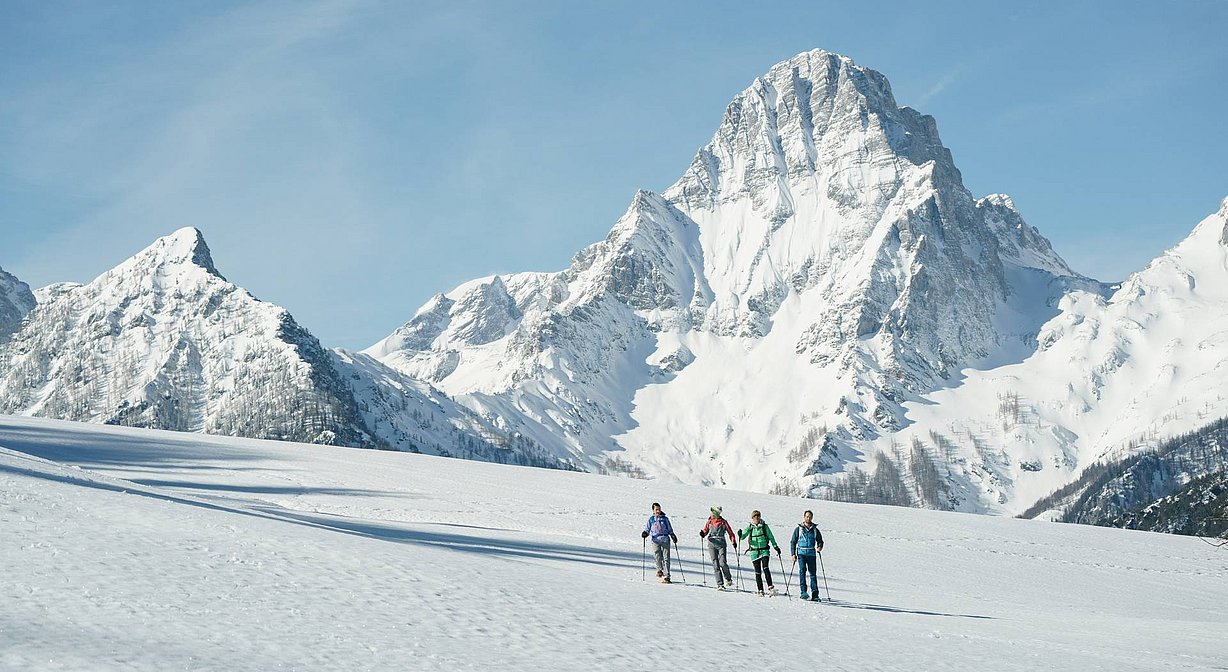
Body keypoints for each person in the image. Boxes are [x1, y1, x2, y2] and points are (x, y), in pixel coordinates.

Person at [738, 510, 780, 596]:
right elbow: (742, 537)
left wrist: (775, 546)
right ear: (752, 518)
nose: (756, 518)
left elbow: (771, 537)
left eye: (758, 516)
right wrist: (740, 534)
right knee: (758, 572)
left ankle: (770, 587)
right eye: (754, 517)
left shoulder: (764, 526)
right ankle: (760, 590)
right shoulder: (750, 527)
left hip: (764, 550)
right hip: (754, 552)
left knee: (765, 568)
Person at [699, 505, 738, 591]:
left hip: (721, 544)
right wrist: (703, 533)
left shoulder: (723, 522)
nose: (711, 514)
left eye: (713, 513)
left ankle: (728, 578)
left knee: (722, 563)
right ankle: (720, 584)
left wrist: (733, 541)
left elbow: (730, 533)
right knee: (715, 564)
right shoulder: (709, 521)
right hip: (711, 544)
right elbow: (705, 531)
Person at [790, 509, 825, 601]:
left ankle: (815, 594)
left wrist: (819, 547)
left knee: (813, 574)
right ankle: (803, 592)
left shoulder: (815, 530)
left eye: (810, 517)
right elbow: (793, 542)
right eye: (807, 516)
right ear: (804, 517)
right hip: (801, 553)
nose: (808, 518)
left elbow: (820, 540)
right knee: (802, 571)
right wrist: (793, 554)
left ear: (812, 518)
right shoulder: (799, 529)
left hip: (811, 554)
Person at [641, 502, 677, 583]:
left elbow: (670, 528)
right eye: (656, 509)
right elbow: (647, 529)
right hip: (655, 540)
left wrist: (672, 535)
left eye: (659, 509)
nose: (658, 511)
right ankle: (659, 570)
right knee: (657, 556)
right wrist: (645, 533)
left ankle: (667, 576)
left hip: (665, 539)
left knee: (666, 558)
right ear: (653, 510)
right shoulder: (651, 519)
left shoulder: (665, 519)